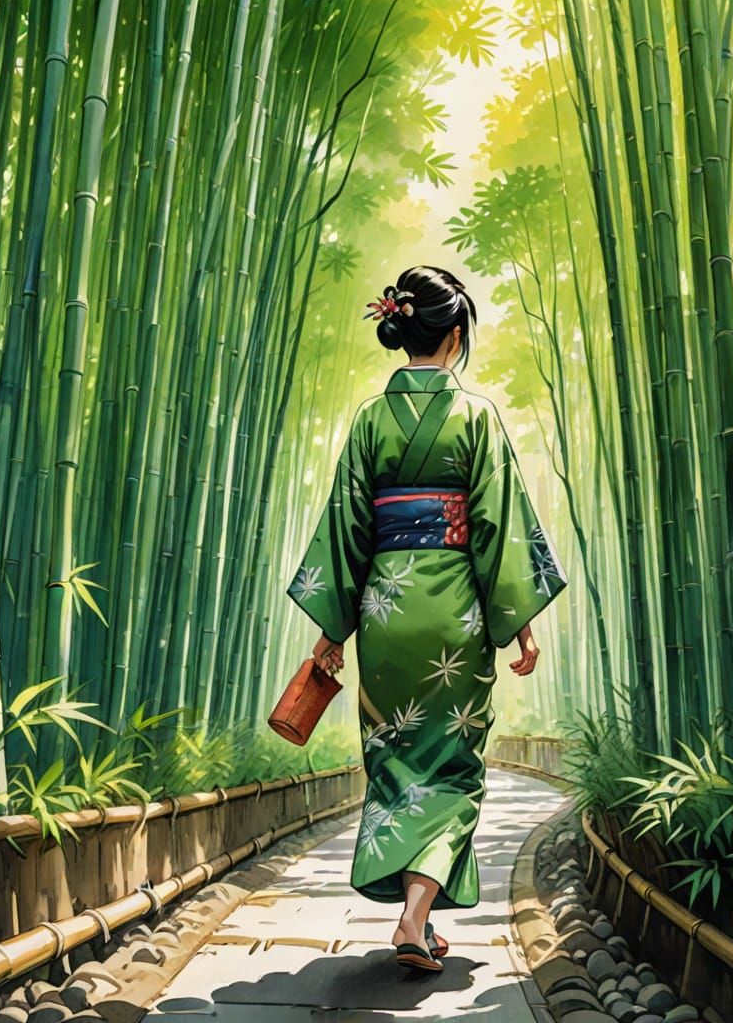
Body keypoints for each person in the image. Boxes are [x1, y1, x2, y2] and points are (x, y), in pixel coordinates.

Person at [286, 265, 567, 972]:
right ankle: (415, 918)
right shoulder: (476, 418)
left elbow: (348, 531)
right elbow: (499, 529)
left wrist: (332, 630)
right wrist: (520, 621)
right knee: (454, 766)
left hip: (385, 610)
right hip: (455, 614)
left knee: (395, 762)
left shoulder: (370, 420)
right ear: (456, 333)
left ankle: (419, 919)